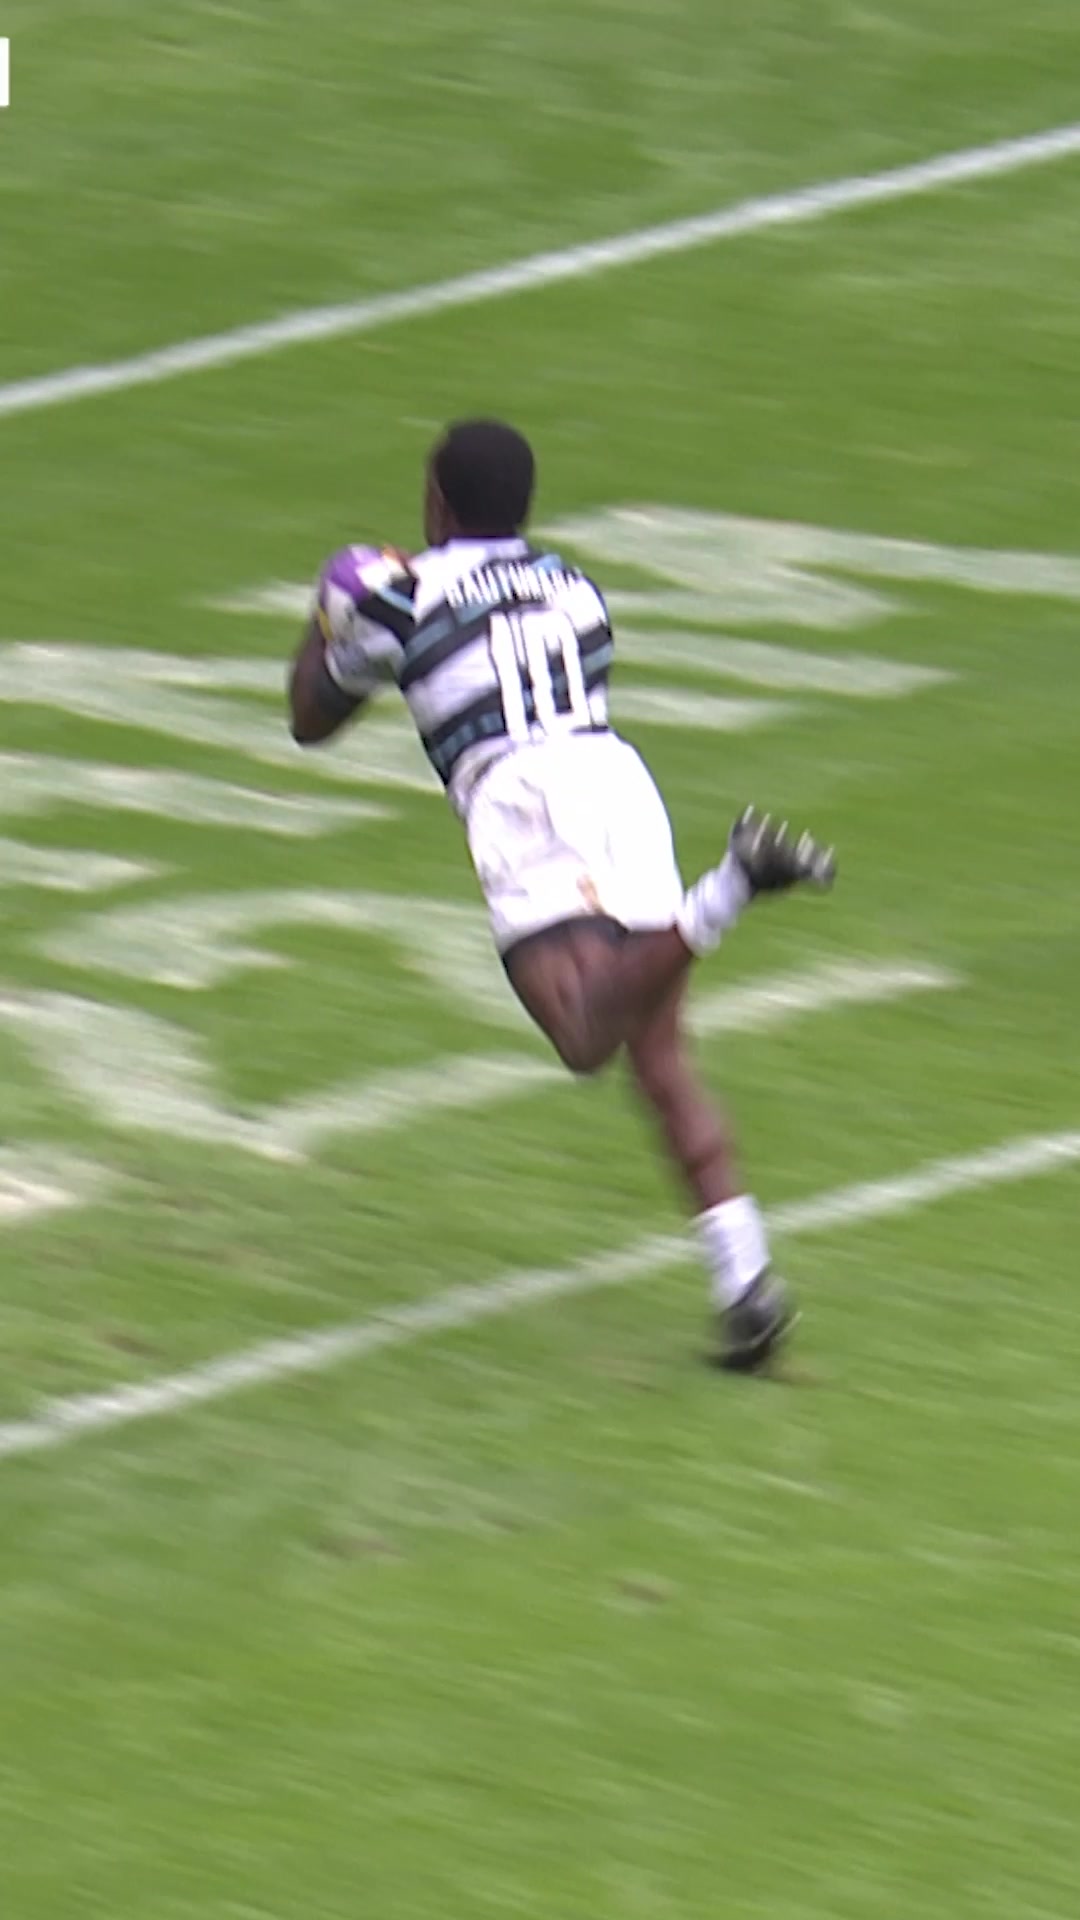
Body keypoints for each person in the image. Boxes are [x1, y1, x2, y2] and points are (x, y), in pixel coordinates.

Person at [289, 419, 836, 1370]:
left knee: (585, 1035)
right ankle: (746, 1286)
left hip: (522, 797)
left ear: (437, 502)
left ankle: (730, 887)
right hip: (618, 780)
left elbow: (310, 718)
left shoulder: (400, 599)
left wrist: (329, 610)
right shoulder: (575, 586)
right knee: (658, 1053)